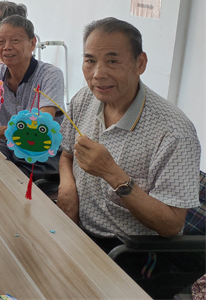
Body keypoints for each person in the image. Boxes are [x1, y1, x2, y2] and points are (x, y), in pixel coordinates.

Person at [57, 18, 201, 298]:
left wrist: (113, 174)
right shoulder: (85, 99)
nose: (97, 74)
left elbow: (171, 224)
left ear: (140, 63)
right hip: (77, 229)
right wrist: (67, 185)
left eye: (112, 62)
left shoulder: (174, 132)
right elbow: (66, 154)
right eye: (90, 61)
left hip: (131, 252)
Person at [0, 16, 64, 181]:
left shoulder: (50, 75)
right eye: (1, 42)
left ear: (32, 43)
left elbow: (41, 124)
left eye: (15, 40)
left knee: (5, 183)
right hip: (11, 147)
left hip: (43, 153)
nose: (7, 47)